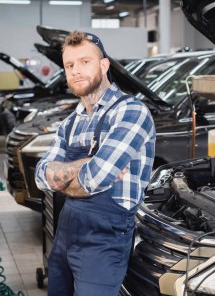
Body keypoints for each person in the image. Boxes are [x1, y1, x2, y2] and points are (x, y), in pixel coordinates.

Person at [35, 30, 156, 296]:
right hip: (67, 232)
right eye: (70, 65)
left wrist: (66, 175)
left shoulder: (131, 111)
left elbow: (95, 178)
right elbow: (41, 176)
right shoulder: (71, 123)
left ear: (103, 65)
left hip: (104, 240)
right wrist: (87, 164)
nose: (76, 70)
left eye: (85, 62)